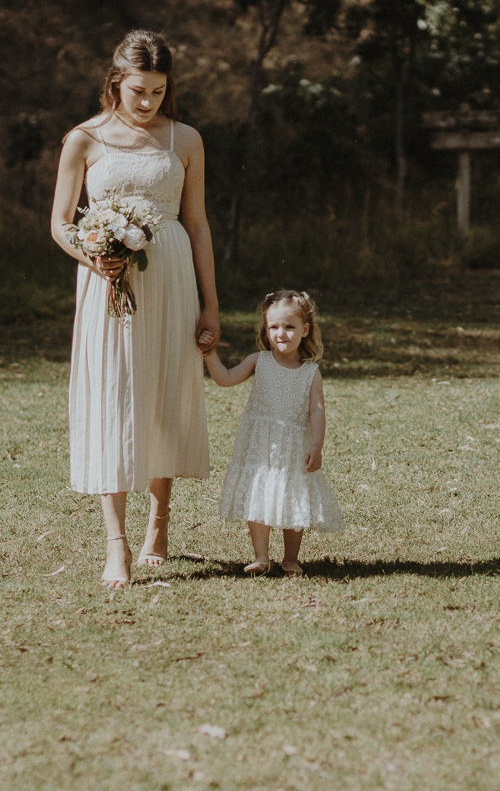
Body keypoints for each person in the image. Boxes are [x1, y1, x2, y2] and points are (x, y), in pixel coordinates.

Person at [50, 31, 219, 588]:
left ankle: (160, 522)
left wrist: (211, 305)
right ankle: (115, 543)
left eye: (159, 92)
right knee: (115, 399)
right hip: (108, 282)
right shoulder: (84, 139)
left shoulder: (185, 139)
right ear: (115, 83)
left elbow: (196, 224)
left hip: (171, 279)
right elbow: (60, 223)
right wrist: (95, 256)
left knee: (163, 395)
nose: (147, 103)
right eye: (138, 91)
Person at [200, 290, 343, 575]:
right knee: (259, 493)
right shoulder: (259, 361)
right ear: (266, 329)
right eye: (273, 326)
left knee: (294, 496)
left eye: (289, 327)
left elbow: (317, 411)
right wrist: (210, 354)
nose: (281, 333)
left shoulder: (310, 372)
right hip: (260, 444)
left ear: (305, 330)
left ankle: (291, 558)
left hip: (293, 446)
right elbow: (226, 379)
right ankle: (261, 557)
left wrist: (317, 445)